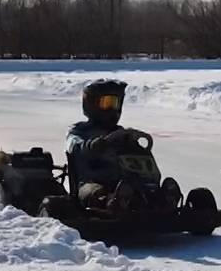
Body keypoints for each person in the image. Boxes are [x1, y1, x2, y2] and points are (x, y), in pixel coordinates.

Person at [65, 79, 181, 211]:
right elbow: (73, 145)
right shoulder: (79, 131)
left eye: (116, 103)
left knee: (135, 188)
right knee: (95, 192)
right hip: (91, 181)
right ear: (91, 104)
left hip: (126, 183)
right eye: (107, 103)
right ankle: (112, 203)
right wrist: (92, 146)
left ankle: (162, 199)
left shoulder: (121, 132)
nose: (113, 109)